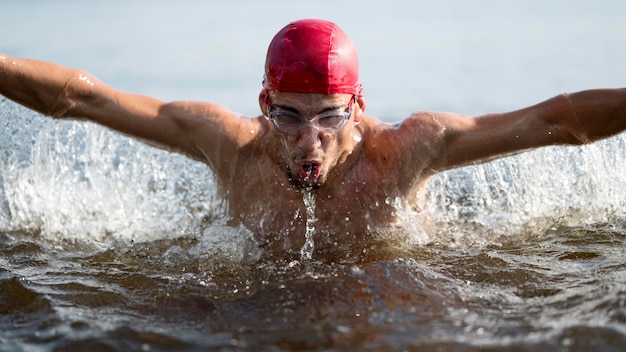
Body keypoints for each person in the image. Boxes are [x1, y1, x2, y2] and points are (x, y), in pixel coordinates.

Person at [1, 19, 625, 261]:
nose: (310, 142)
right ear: (264, 104)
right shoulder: (226, 141)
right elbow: (84, 97)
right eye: (289, 118)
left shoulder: (411, 147)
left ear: (357, 106)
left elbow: (560, 120)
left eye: (329, 118)